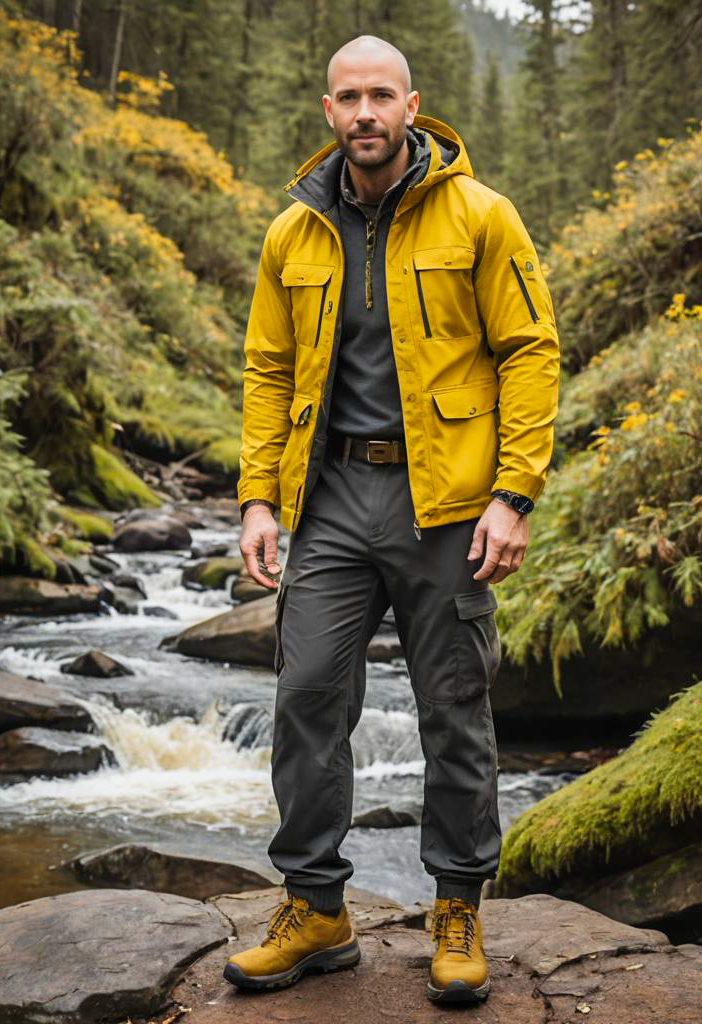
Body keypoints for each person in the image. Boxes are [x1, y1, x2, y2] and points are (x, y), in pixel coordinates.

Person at [223, 34, 560, 1005]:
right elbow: (266, 369)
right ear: (326, 111)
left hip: (447, 503)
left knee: (453, 708)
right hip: (327, 500)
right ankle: (316, 907)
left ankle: (455, 906)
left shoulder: (482, 216)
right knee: (306, 701)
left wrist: (514, 493)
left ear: (413, 106)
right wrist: (255, 496)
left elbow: (529, 353)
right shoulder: (293, 230)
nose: (363, 112)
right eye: (346, 97)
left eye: (380, 95)